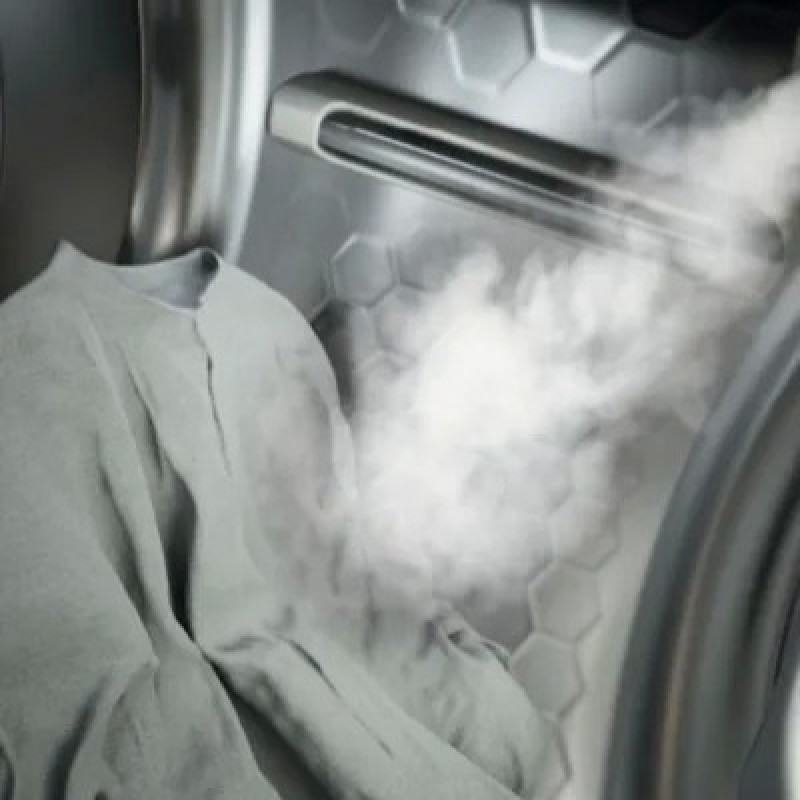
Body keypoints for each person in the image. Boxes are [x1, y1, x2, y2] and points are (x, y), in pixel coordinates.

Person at [0, 240, 546, 799]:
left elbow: (346, 559)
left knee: (501, 724)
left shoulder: (270, 324)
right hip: (217, 724)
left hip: (358, 674)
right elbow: (73, 700)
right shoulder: (34, 359)